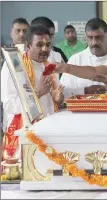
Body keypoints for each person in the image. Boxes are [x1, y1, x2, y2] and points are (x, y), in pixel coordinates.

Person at [1, 25, 64, 159]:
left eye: (48, 45)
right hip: (25, 134)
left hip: (49, 131)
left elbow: (54, 99)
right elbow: (9, 105)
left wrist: (57, 99)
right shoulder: (13, 66)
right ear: (28, 45)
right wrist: (38, 93)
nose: (45, 49)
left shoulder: (49, 65)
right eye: (39, 45)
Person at [60, 18, 107, 98]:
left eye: (98, 37)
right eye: (90, 37)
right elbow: (62, 92)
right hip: (82, 110)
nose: (94, 42)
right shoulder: (75, 60)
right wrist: (85, 90)